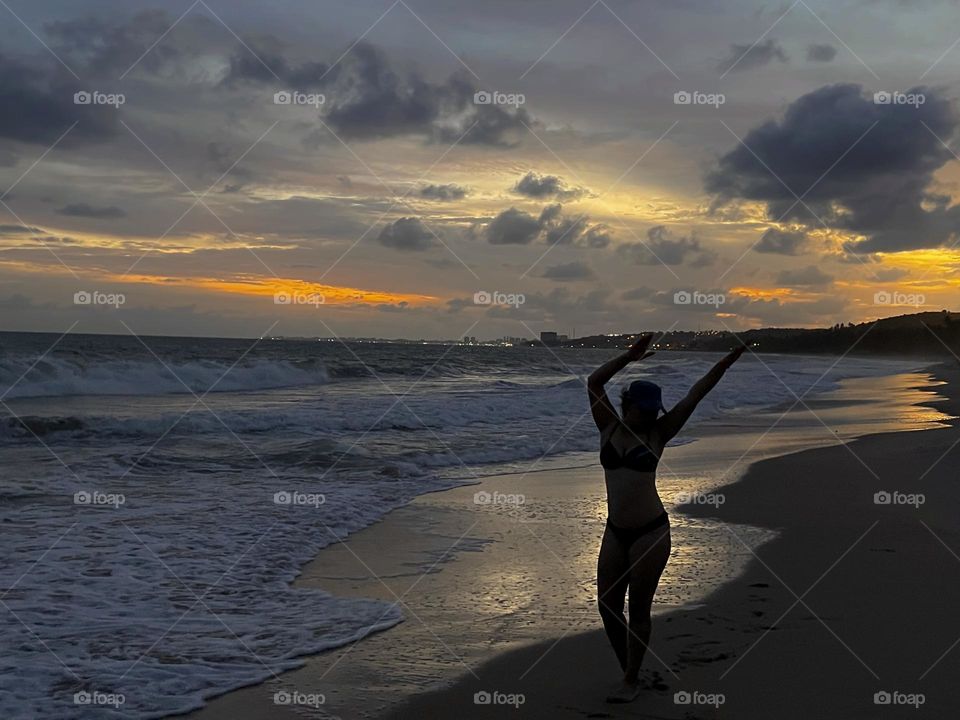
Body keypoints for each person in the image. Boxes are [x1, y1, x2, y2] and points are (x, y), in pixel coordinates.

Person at [587, 333, 746, 703]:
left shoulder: (660, 433)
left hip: (650, 533)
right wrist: (629, 356)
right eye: (641, 410)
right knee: (607, 606)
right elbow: (594, 382)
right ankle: (629, 665)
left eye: (651, 411)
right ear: (627, 405)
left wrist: (724, 363)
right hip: (615, 531)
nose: (647, 416)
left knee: (639, 609)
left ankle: (630, 679)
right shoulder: (607, 426)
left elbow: (696, 393)